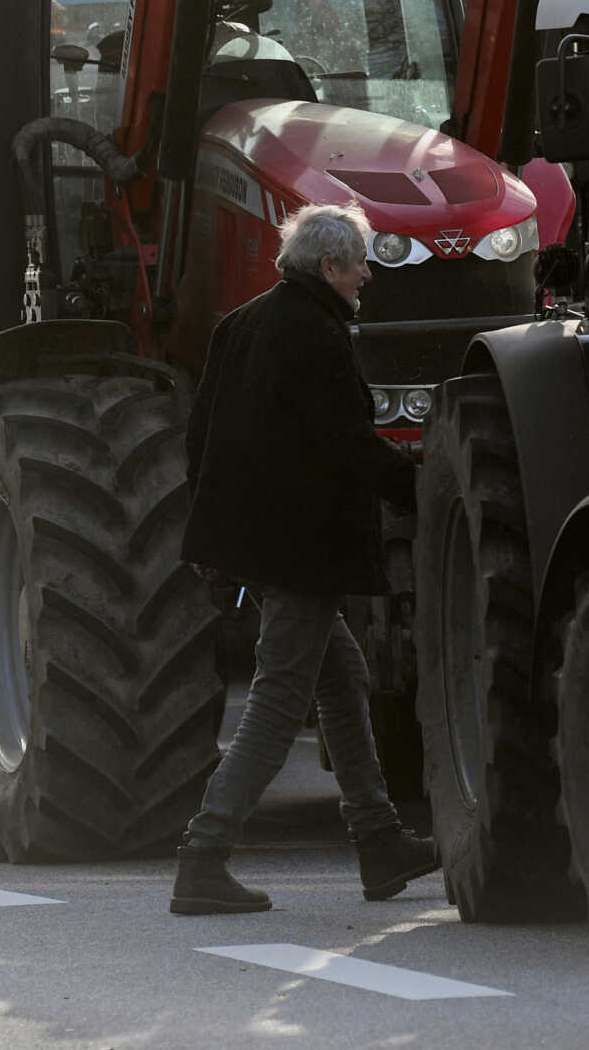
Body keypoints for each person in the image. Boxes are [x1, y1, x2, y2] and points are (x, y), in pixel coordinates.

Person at [171, 202, 440, 916]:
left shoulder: (242, 323)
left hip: (256, 548)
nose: (367, 277)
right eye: (359, 263)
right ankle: (204, 852)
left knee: (342, 675)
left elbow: (198, 439)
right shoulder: (316, 334)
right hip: (302, 550)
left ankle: (379, 840)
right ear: (328, 266)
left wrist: (211, 539)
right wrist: (426, 487)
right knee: (281, 696)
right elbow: (349, 445)